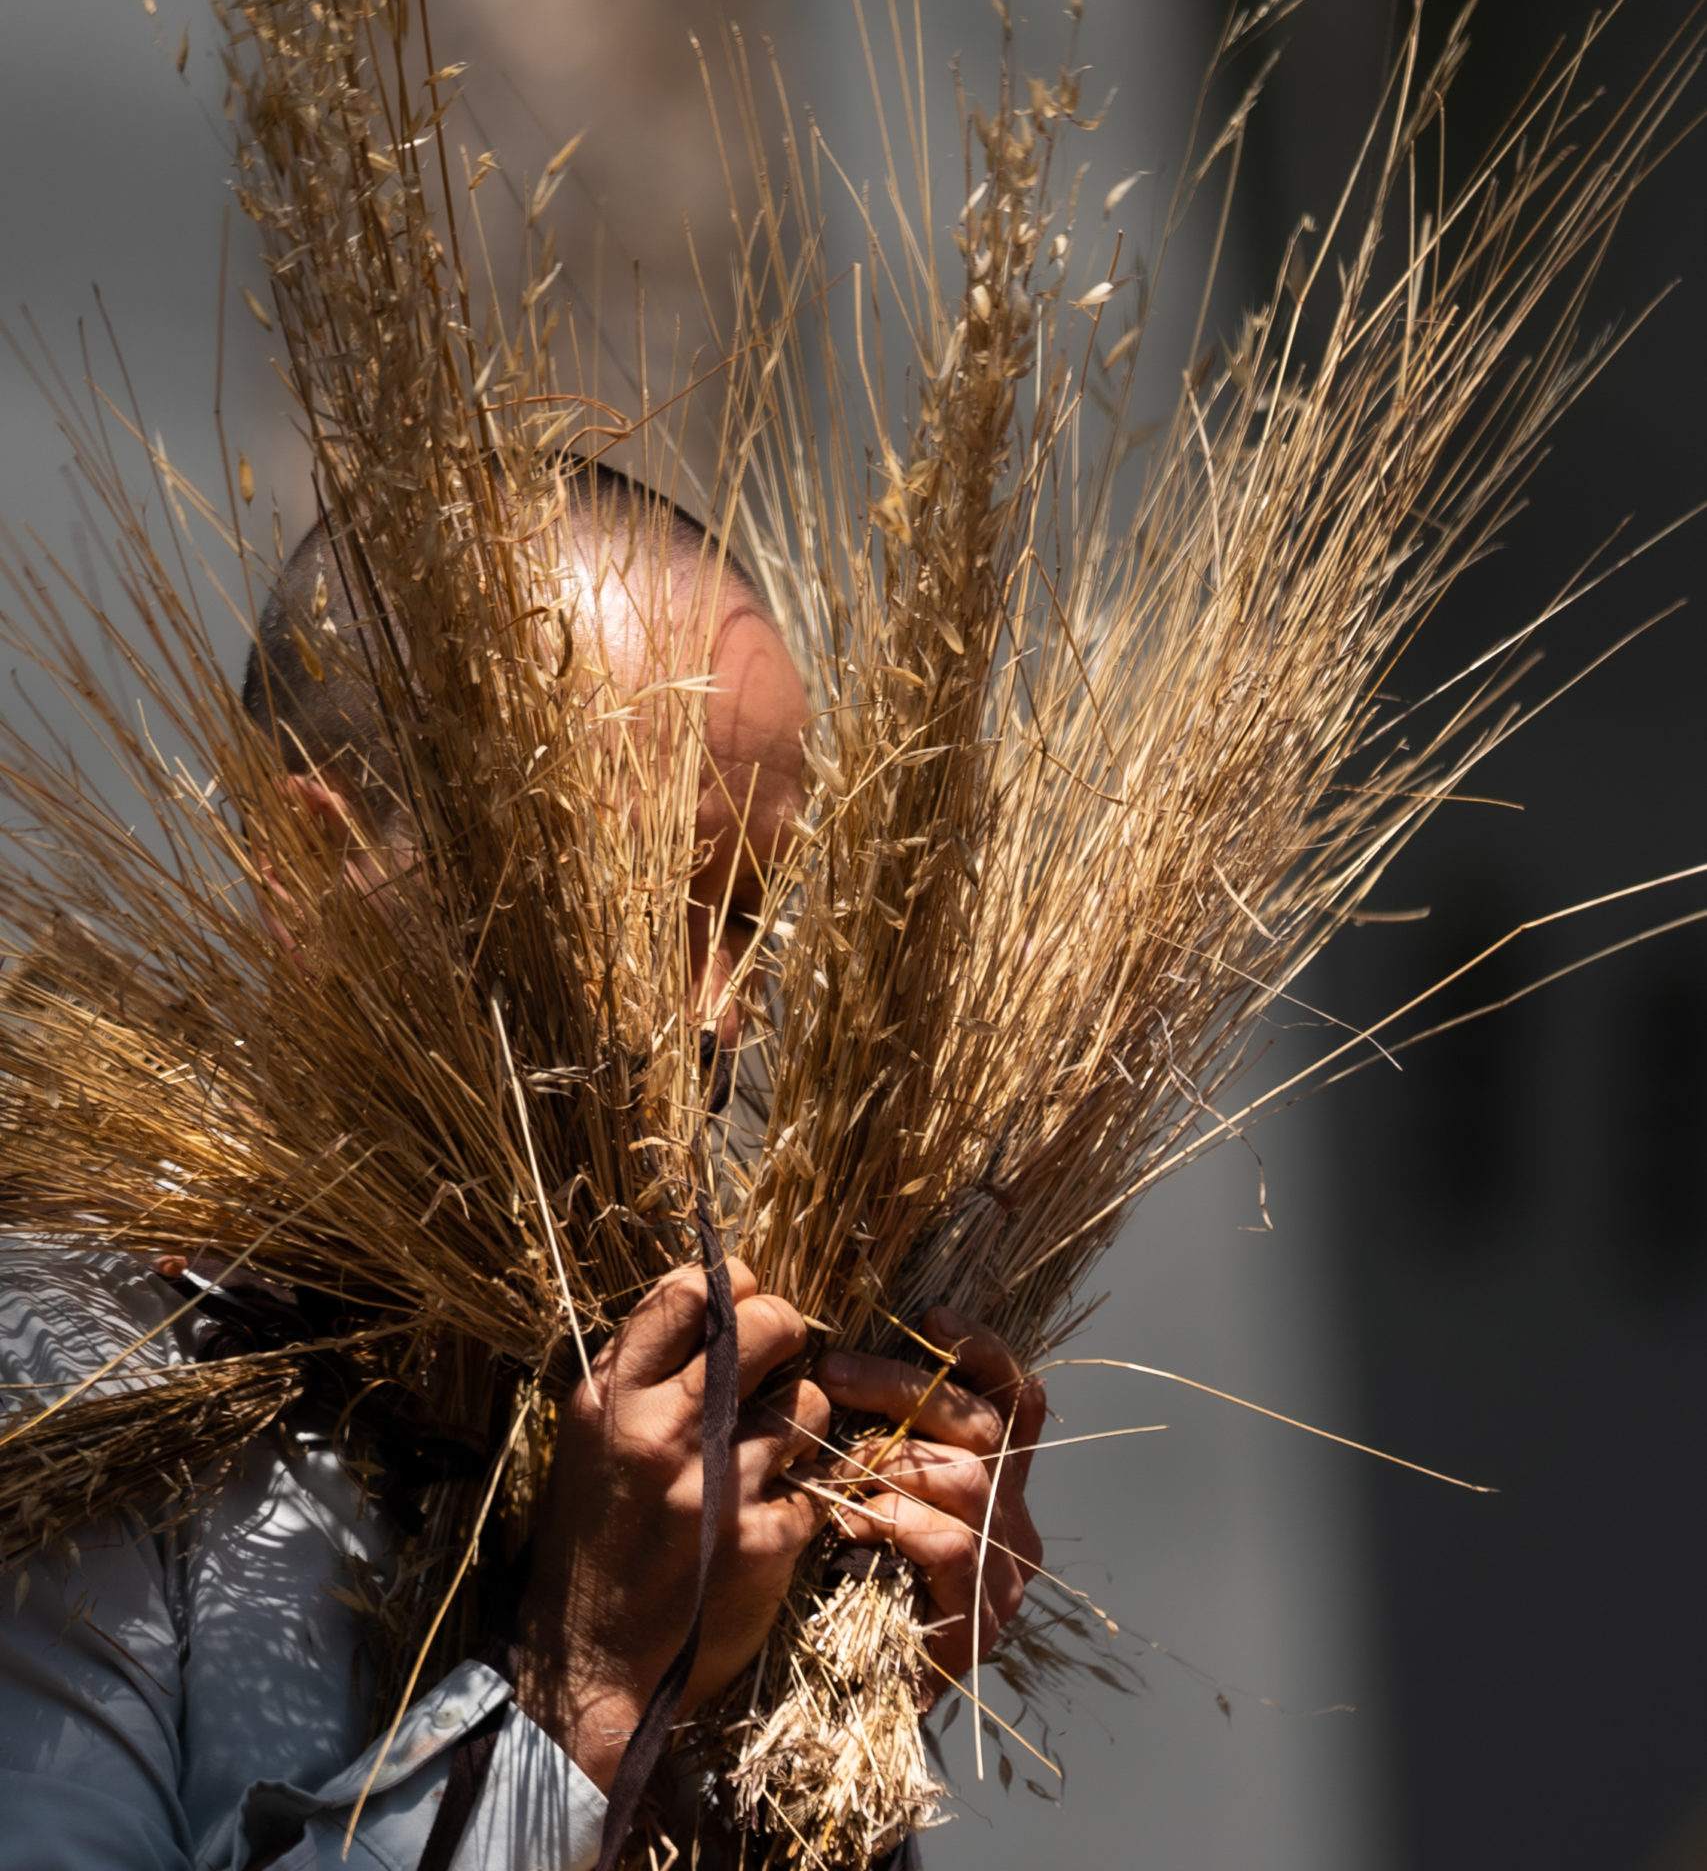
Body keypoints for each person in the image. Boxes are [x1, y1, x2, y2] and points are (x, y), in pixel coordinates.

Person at [0, 470, 1045, 1869]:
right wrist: (587, 1691)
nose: (713, 1016)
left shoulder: (673, 1391)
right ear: (314, 878)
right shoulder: (60, 1373)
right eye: (624, 901)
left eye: (747, 918)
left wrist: (811, 1725)